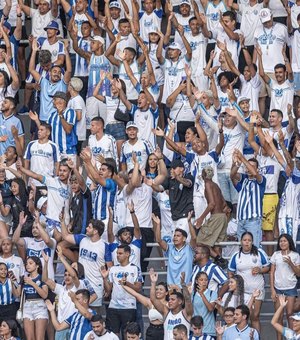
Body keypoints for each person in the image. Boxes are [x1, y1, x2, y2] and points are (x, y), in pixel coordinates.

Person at [61, 215, 112, 313]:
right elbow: (66, 236)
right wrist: (62, 221)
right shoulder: (82, 239)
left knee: (92, 314)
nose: (86, 229)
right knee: (77, 311)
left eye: (89, 227)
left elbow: (110, 267)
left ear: (96, 231)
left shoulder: (104, 246)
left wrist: (108, 286)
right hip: (81, 284)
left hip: (96, 285)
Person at [228, 232, 270, 332]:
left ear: (252, 242)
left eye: (249, 240)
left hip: (257, 289)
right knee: (243, 317)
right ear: (241, 241)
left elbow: (268, 267)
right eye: (245, 240)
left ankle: (256, 338)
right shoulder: (236, 256)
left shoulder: (259, 252)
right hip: (242, 292)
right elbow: (230, 272)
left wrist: (260, 270)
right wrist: (234, 283)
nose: (247, 242)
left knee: (255, 316)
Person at [100, 244, 143, 338]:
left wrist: (126, 283)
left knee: (127, 335)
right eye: (117, 253)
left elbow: (138, 288)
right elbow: (108, 290)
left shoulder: (135, 268)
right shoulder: (113, 269)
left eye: (120, 253)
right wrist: (104, 278)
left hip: (129, 307)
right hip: (113, 306)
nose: (117, 255)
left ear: (127, 254)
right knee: (112, 336)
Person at [230, 149, 266, 247]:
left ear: (257, 169)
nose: (249, 168)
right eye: (247, 166)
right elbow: (232, 175)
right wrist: (236, 163)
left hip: (253, 221)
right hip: (241, 221)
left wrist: (243, 158)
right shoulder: (244, 180)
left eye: (252, 167)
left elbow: (254, 174)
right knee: (242, 249)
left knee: (254, 248)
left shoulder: (261, 181)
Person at [121, 270, 168, 339]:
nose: (158, 291)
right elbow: (135, 294)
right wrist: (123, 284)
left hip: (164, 330)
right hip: (151, 330)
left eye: (161, 290)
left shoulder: (169, 304)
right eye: (157, 289)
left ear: (166, 293)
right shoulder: (150, 302)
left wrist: (153, 282)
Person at [270, 234, 300, 340]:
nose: (282, 243)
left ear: (289, 242)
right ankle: (279, 339)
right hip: (278, 289)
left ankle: (293, 337)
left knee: (290, 314)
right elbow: (272, 272)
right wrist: (272, 290)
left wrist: (290, 263)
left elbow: (299, 273)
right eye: (281, 241)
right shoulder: (275, 254)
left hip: (291, 288)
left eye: (285, 241)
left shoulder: (295, 255)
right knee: (279, 316)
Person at [153, 214, 196, 286]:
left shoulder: (189, 248)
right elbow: (159, 240)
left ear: (184, 239)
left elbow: (194, 238)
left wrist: (189, 222)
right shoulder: (170, 247)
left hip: (185, 286)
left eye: (178, 236)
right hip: (171, 287)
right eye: (174, 235)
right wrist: (158, 224)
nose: (175, 237)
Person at [196, 166, 228, 261]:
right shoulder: (216, 185)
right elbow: (224, 204)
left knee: (200, 241)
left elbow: (212, 204)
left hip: (216, 216)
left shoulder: (208, 184)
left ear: (203, 175)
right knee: (217, 245)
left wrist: (201, 218)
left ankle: (219, 259)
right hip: (223, 217)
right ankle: (219, 264)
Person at [150, 270, 193, 340]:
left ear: (180, 301)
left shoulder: (185, 313)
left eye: (173, 299)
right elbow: (153, 299)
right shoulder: (166, 312)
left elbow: (188, 299)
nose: (169, 301)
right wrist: (153, 283)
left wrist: (183, 284)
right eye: (169, 299)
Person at [24, 122, 60, 187]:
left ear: (48, 133)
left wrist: (55, 180)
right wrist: (25, 178)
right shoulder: (31, 144)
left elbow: (57, 163)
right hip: (32, 182)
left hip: (47, 181)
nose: (38, 132)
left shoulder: (53, 146)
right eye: (38, 130)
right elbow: (27, 161)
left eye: (41, 130)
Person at [23, 256, 48, 340]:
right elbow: (17, 294)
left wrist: (32, 283)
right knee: (29, 338)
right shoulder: (24, 278)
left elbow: (45, 295)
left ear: (37, 265)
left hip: (40, 306)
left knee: (39, 338)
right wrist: (13, 282)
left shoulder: (42, 277)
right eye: (26, 264)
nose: (27, 265)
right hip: (27, 306)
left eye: (30, 263)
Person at [192, 271, 217, 338]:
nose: (204, 282)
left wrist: (202, 294)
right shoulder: (193, 294)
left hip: (209, 331)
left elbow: (210, 308)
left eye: (206, 280)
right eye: (201, 280)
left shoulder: (212, 293)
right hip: (196, 331)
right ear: (196, 281)